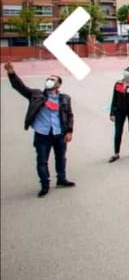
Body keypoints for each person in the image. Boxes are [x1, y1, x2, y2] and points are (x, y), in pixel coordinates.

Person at [4, 63, 76, 196]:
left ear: (59, 84)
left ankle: (61, 179)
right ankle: (45, 184)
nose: (49, 81)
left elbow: (69, 115)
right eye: (48, 79)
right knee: (42, 160)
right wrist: (11, 73)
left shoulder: (64, 98)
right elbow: (19, 87)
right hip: (42, 134)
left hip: (59, 134)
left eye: (53, 79)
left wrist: (69, 131)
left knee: (61, 157)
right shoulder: (36, 95)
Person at [108, 62, 129, 161]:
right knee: (118, 132)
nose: (127, 76)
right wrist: (112, 112)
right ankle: (116, 153)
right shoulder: (118, 84)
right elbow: (114, 99)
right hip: (120, 111)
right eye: (126, 73)